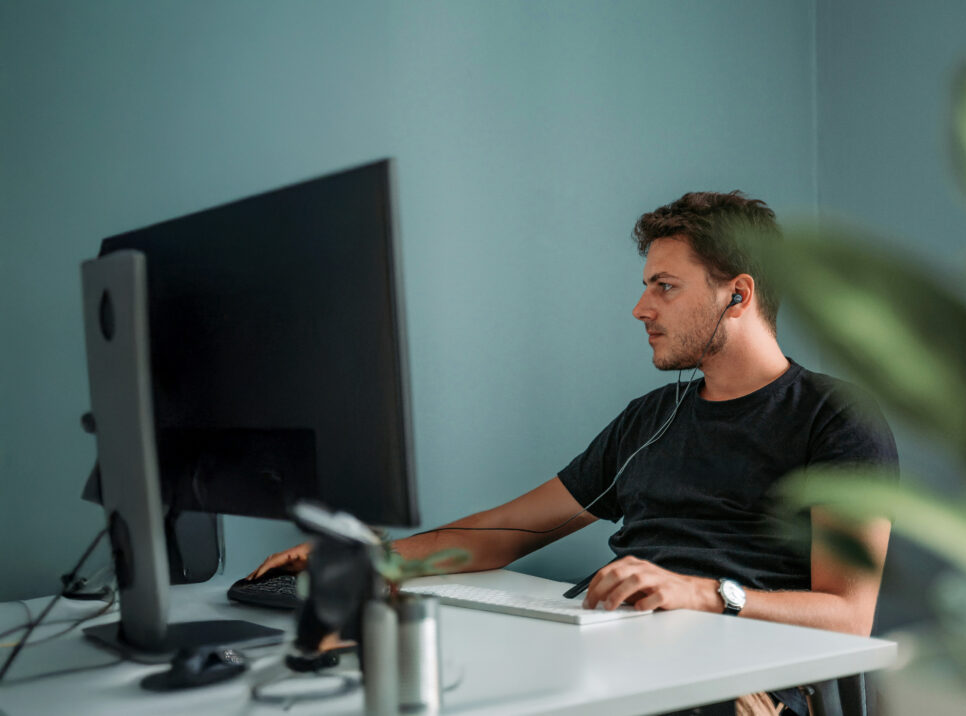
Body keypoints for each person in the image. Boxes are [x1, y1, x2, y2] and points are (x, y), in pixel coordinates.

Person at [249, 191, 898, 715]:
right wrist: (372, 559)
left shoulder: (835, 418)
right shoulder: (653, 416)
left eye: (665, 287)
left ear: (739, 293)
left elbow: (849, 616)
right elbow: (508, 532)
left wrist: (702, 594)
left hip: (740, 679)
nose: (640, 307)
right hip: (618, 654)